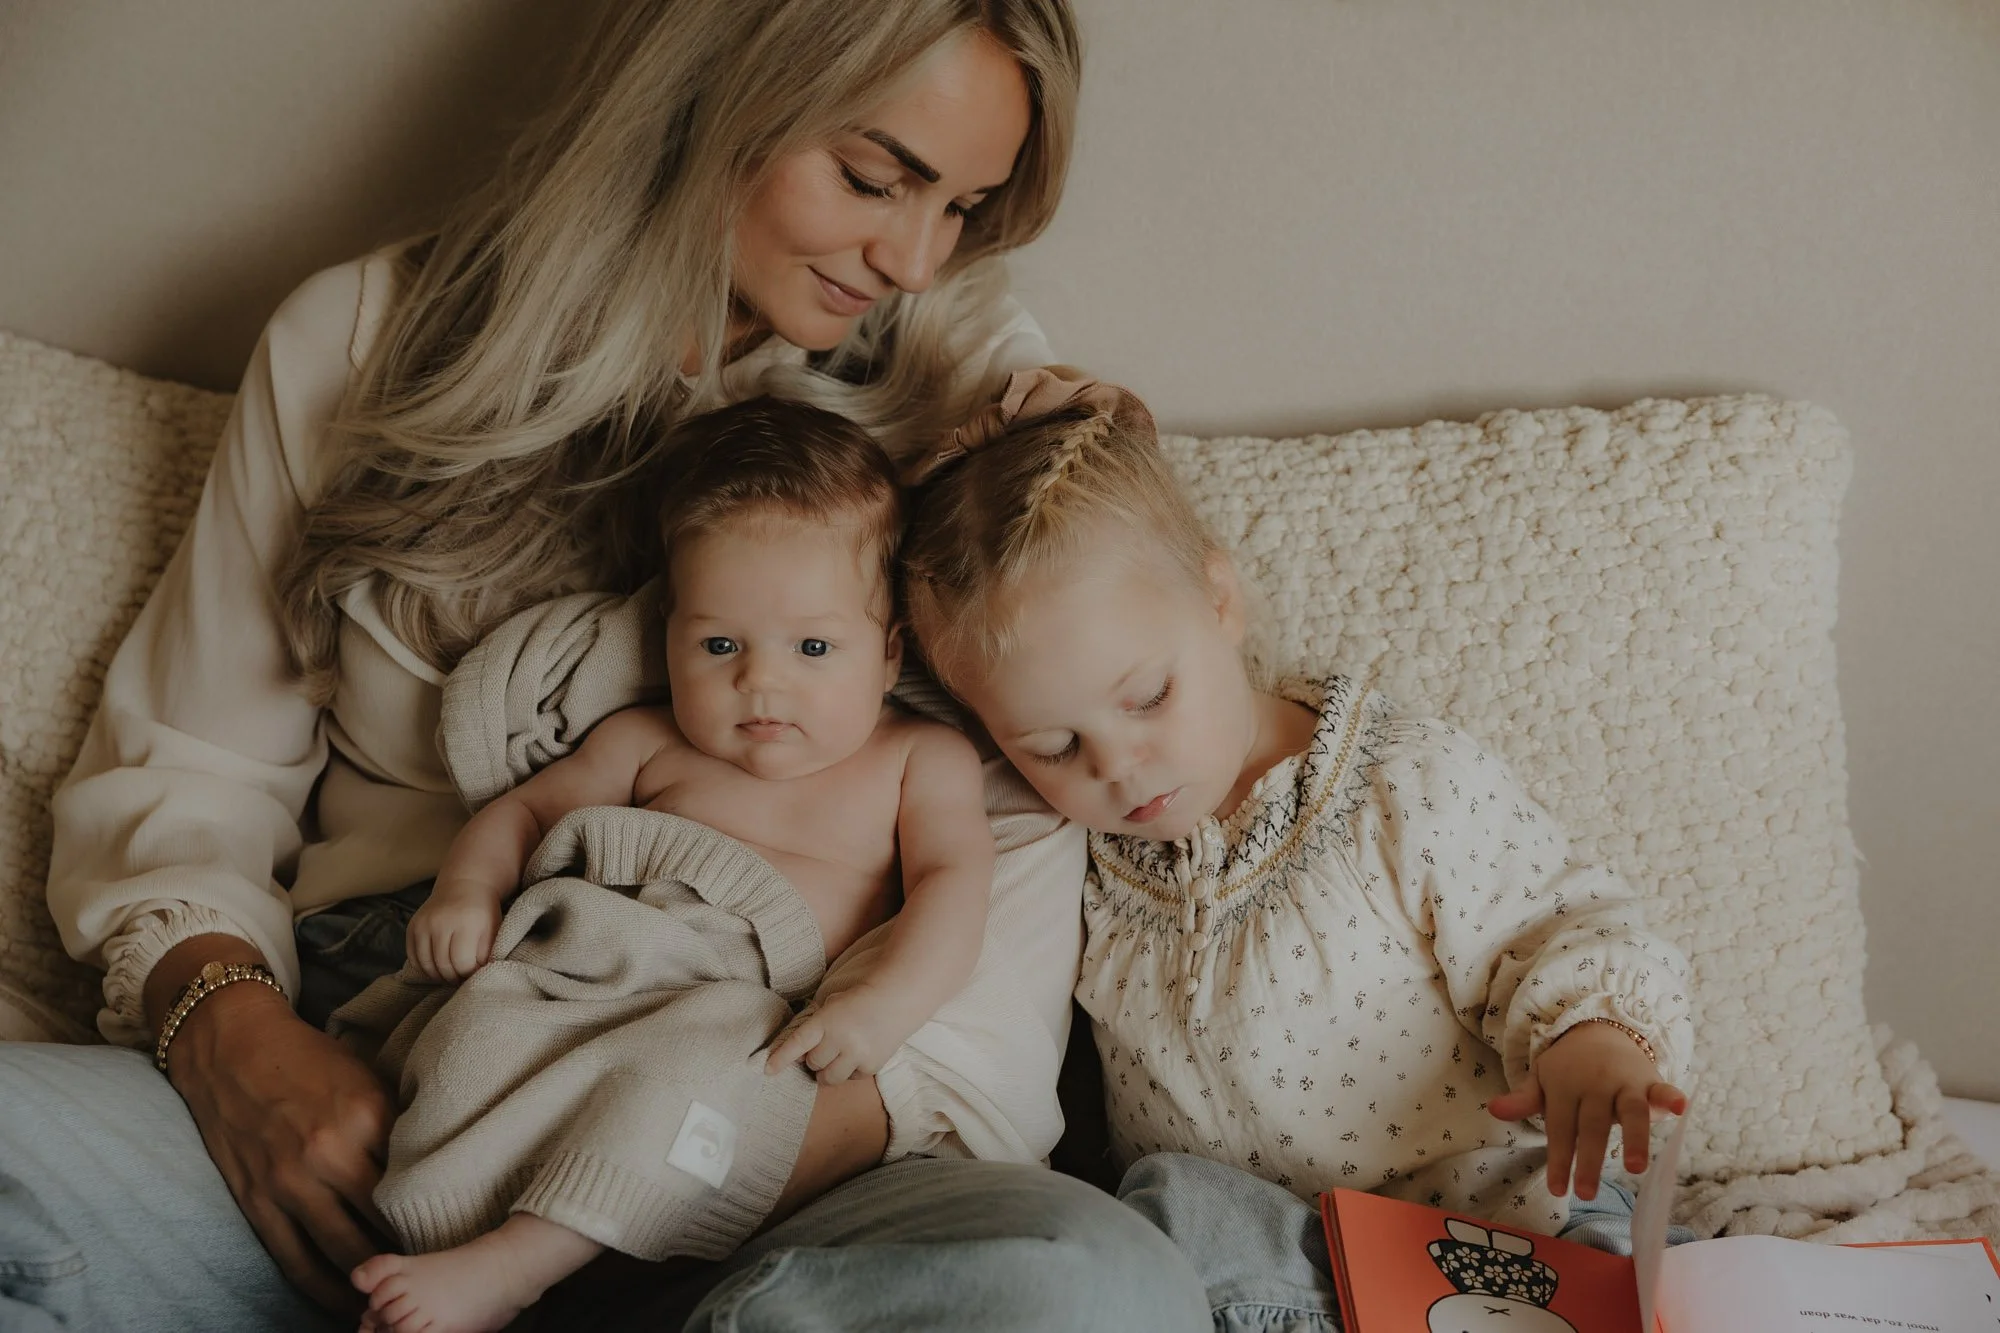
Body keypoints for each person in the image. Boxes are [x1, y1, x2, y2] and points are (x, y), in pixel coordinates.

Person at [0, 4, 1212, 1330]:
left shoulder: (961, 392)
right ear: (713, 86)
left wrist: (629, 1198)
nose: (917, 260)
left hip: (766, 1130)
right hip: (392, 1078)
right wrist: (229, 1033)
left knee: (1092, 1285)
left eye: (964, 209)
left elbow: (1022, 839)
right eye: (874, 179)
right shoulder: (365, 343)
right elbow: (192, 763)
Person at [898, 368, 1698, 1330]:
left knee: (1608, 1272)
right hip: (1290, 1265)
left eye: (1148, 696)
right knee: (1164, 1214)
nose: (1119, 767)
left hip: (1492, 1233)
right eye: (1054, 746)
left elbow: (1555, 922)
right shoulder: (1082, 858)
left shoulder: (1391, 785)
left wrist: (1592, 1041)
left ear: (1220, 599)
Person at [343, 396, 997, 1333]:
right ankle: (435, 1218)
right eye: (719, 643)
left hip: (736, 1005)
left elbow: (954, 887)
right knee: (475, 1030)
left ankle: (522, 1261)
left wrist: (883, 1004)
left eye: (814, 646)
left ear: (888, 652)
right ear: (669, 635)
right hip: (585, 972)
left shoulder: (915, 760)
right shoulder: (647, 740)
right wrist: (469, 889)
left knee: (705, 1082)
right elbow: (523, 811)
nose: (760, 682)